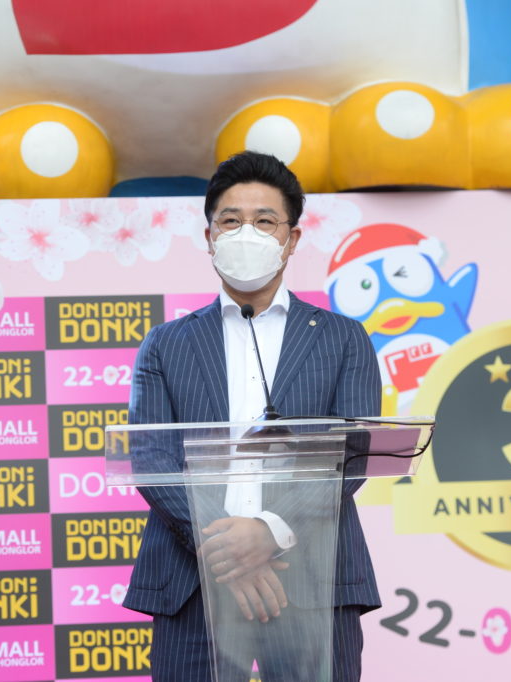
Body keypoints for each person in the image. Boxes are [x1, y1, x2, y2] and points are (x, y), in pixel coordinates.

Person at [123, 151, 381, 681]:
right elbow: (152, 457)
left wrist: (268, 530)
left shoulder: (343, 338)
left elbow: (350, 454)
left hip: (313, 578)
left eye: (265, 221)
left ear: (291, 238)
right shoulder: (166, 344)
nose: (247, 233)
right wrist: (225, 549)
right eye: (231, 221)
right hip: (194, 580)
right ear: (209, 236)